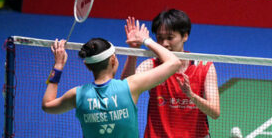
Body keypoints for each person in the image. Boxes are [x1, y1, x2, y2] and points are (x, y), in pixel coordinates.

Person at [41, 21, 181, 138]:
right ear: (113, 59)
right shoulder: (131, 86)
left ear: (87, 64)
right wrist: (146, 40)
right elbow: (174, 62)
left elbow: (47, 106)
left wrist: (58, 66)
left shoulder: (77, 95)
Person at [122, 9, 220, 138]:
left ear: (185, 36)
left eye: (170, 38)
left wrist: (191, 95)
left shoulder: (204, 67)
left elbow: (215, 112)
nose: (164, 44)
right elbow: (124, 90)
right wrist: (133, 52)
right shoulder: (151, 66)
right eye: (160, 38)